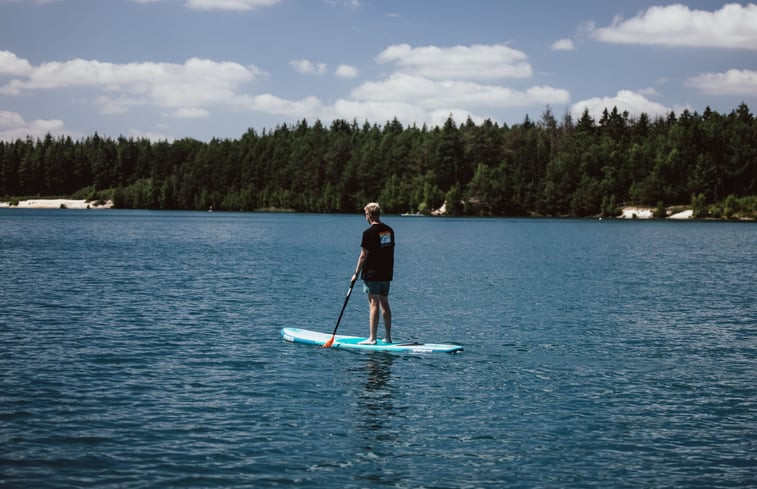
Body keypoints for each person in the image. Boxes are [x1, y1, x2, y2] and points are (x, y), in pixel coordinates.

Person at [351, 202, 395, 345]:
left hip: (372, 274)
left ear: (369, 215)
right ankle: (388, 337)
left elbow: (363, 255)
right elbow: (387, 250)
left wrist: (355, 273)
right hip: (386, 273)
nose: (365, 217)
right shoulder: (388, 231)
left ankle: (372, 338)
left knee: (374, 304)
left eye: (365, 214)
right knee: (385, 303)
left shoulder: (368, 233)